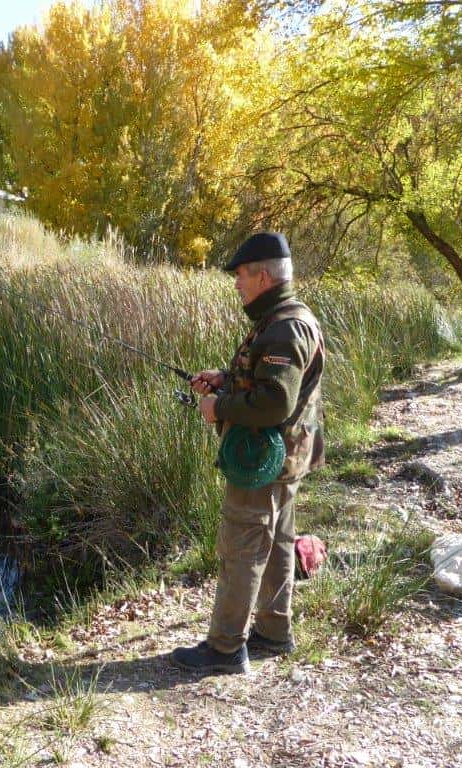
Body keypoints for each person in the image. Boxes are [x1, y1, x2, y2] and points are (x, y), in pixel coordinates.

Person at [171, 232, 325, 675]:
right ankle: (274, 632)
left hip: (264, 462)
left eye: (241, 275)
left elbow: (275, 403)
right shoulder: (285, 318)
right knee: (277, 542)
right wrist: (226, 379)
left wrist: (217, 407)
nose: (237, 283)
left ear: (263, 276)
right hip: (285, 457)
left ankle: (224, 648)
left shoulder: (284, 327)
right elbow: (271, 385)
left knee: (242, 547)